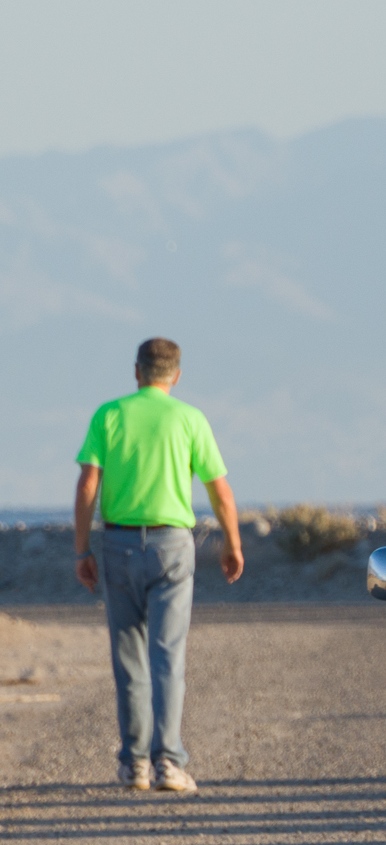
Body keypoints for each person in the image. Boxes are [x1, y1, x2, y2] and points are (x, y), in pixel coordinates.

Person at [74, 338, 244, 792]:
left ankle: (134, 764)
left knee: (128, 657)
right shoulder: (189, 418)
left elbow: (88, 483)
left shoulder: (109, 415)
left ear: (137, 372)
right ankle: (168, 761)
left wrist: (80, 548)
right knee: (168, 656)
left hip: (118, 545)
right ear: (177, 375)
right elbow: (219, 490)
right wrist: (232, 543)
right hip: (172, 545)